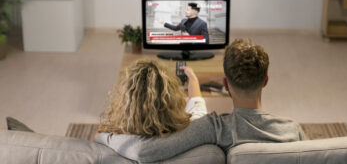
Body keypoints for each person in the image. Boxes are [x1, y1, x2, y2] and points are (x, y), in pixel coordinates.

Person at [96, 39, 307, 162]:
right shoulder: (293, 130)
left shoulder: (214, 129)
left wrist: (105, 137)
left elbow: (146, 150)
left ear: (225, 84)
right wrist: (194, 83)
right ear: (266, 81)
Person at [97, 59, 207, 137]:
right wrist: (193, 79)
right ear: (173, 102)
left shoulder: (108, 139)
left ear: (126, 104)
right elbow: (197, 106)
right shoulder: (196, 132)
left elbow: (99, 136)